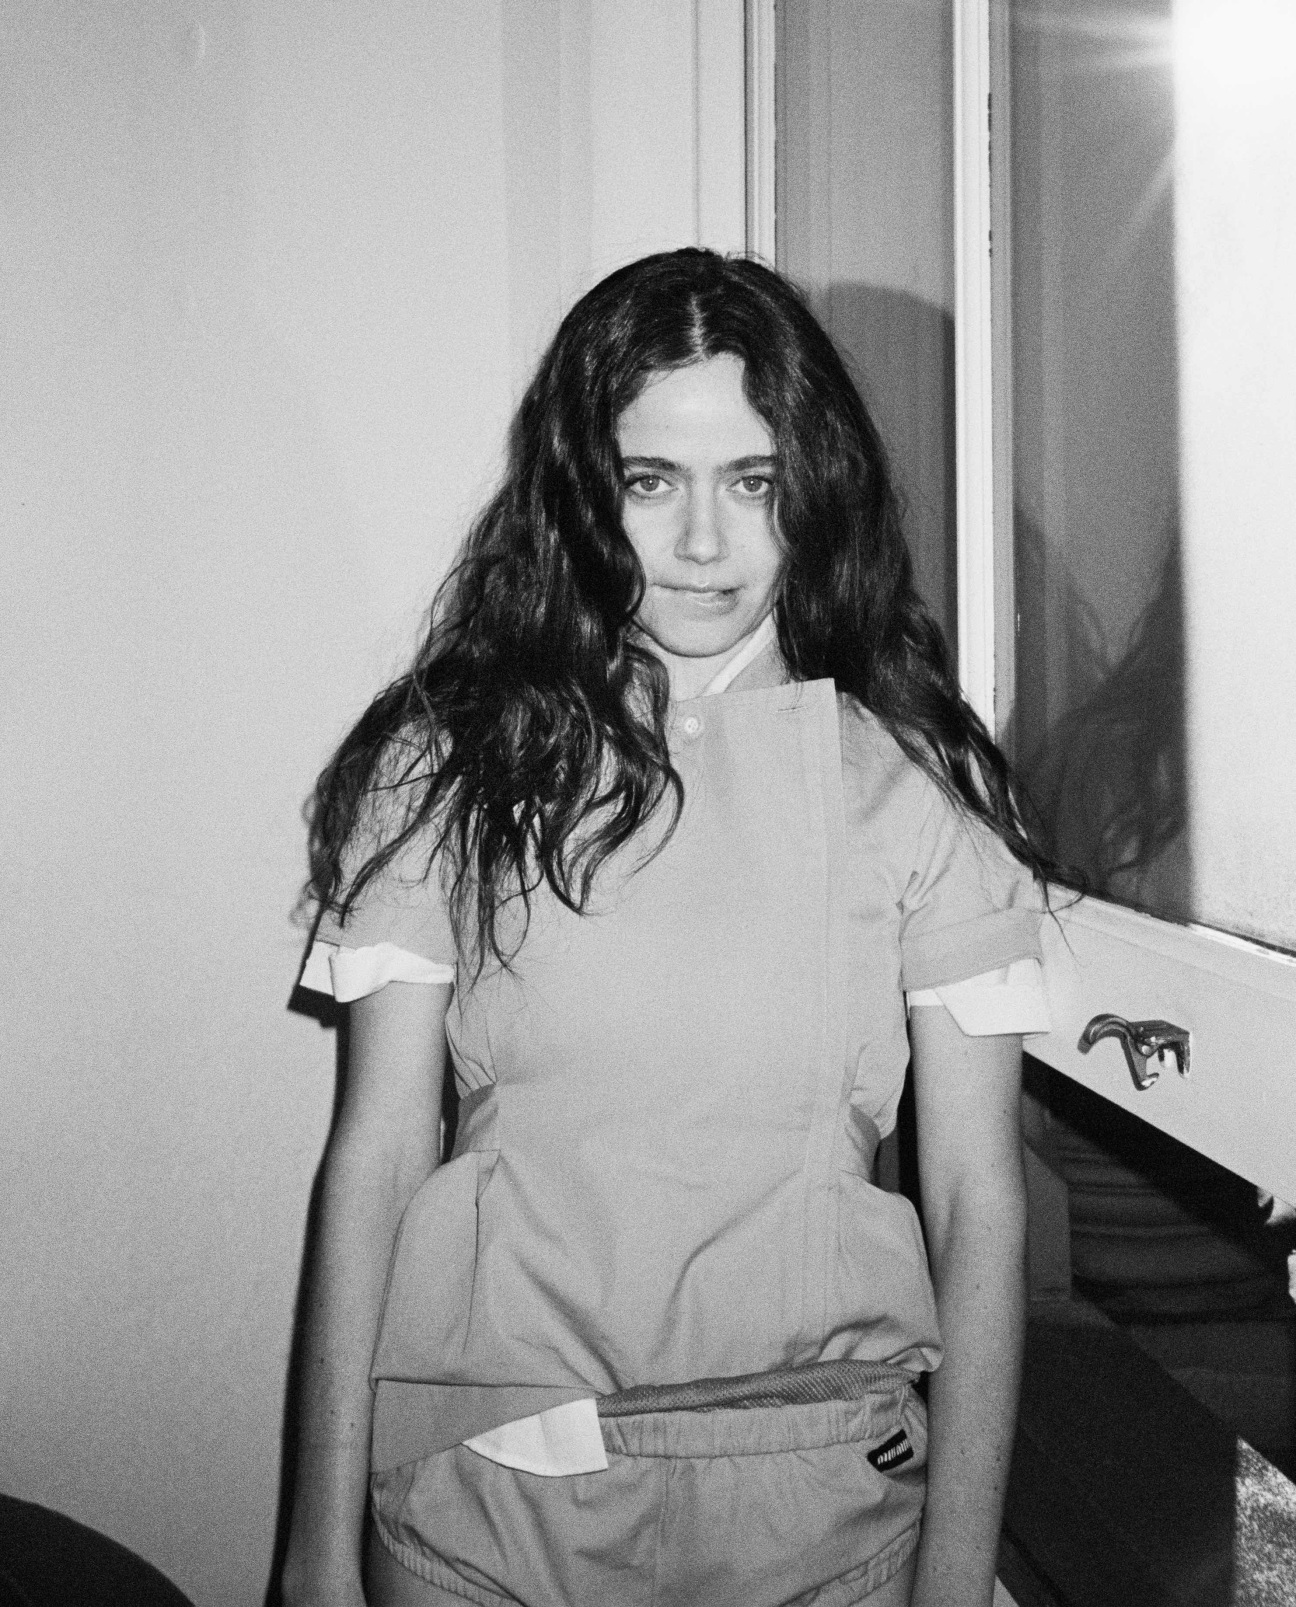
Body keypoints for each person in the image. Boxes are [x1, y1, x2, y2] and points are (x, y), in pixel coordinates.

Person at [282, 248, 1052, 1607]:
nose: (705, 544)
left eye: (752, 481)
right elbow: (380, 1152)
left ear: (813, 493)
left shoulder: (917, 790)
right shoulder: (443, 767)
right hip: (489, 1498)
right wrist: (314, 1552)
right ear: (583, 494)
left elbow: (977, 1202)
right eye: (652, 481)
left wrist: (957, 1573)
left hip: (825, 1504)